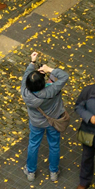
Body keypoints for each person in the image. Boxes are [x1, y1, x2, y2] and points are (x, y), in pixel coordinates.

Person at [21, 52, 70, 182]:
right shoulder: (51, 90)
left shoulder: (25, 91)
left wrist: (32, 62)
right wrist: (49, 69)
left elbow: (26, 75)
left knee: (33, 144)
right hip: (53, 121)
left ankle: (30, 171)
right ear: (43, 83)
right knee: (54, 145)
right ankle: (53, 172)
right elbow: (64, 76)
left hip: (36, 122)